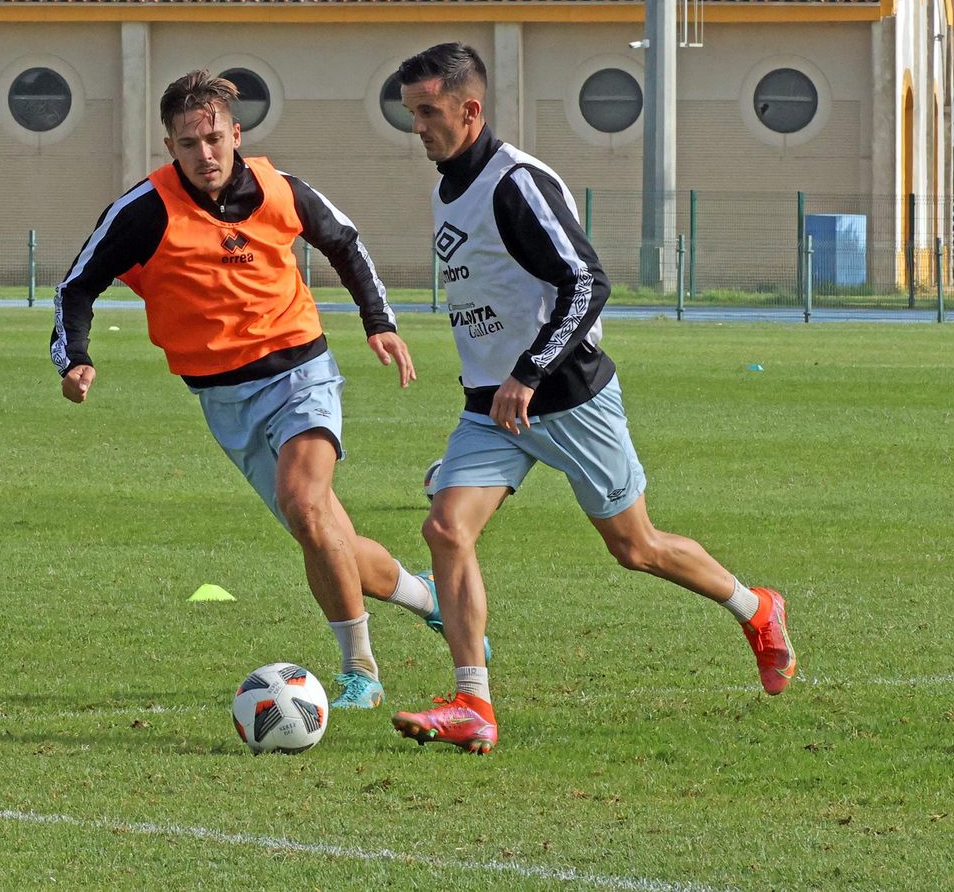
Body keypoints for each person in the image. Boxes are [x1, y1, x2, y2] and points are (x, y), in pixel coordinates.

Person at [387, 44, 795, 754]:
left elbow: (586, 282)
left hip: (565, 394)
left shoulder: (515, 184)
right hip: (492, 407)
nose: (416, 126)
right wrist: (501, 382)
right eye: (411, 113)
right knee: (446, 530)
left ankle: (756, 607)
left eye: (427, 112)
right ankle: (472, 703)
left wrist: (529, 372)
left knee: (635, 547)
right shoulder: (447, 187)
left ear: (469, 109)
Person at [53, 70, 487, 709]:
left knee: (305, 505)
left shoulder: (279, 190)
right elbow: (76, 285)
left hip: (300, 371)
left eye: (213, 139)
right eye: (187, 144)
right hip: (223, 400)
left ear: (235, 133)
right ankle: (425, 596)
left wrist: (379, 323)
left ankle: (359, 672)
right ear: (169, 146)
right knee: (321, 533)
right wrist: (76, 359)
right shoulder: (144, 211)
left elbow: (345, 242)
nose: (204, 155)